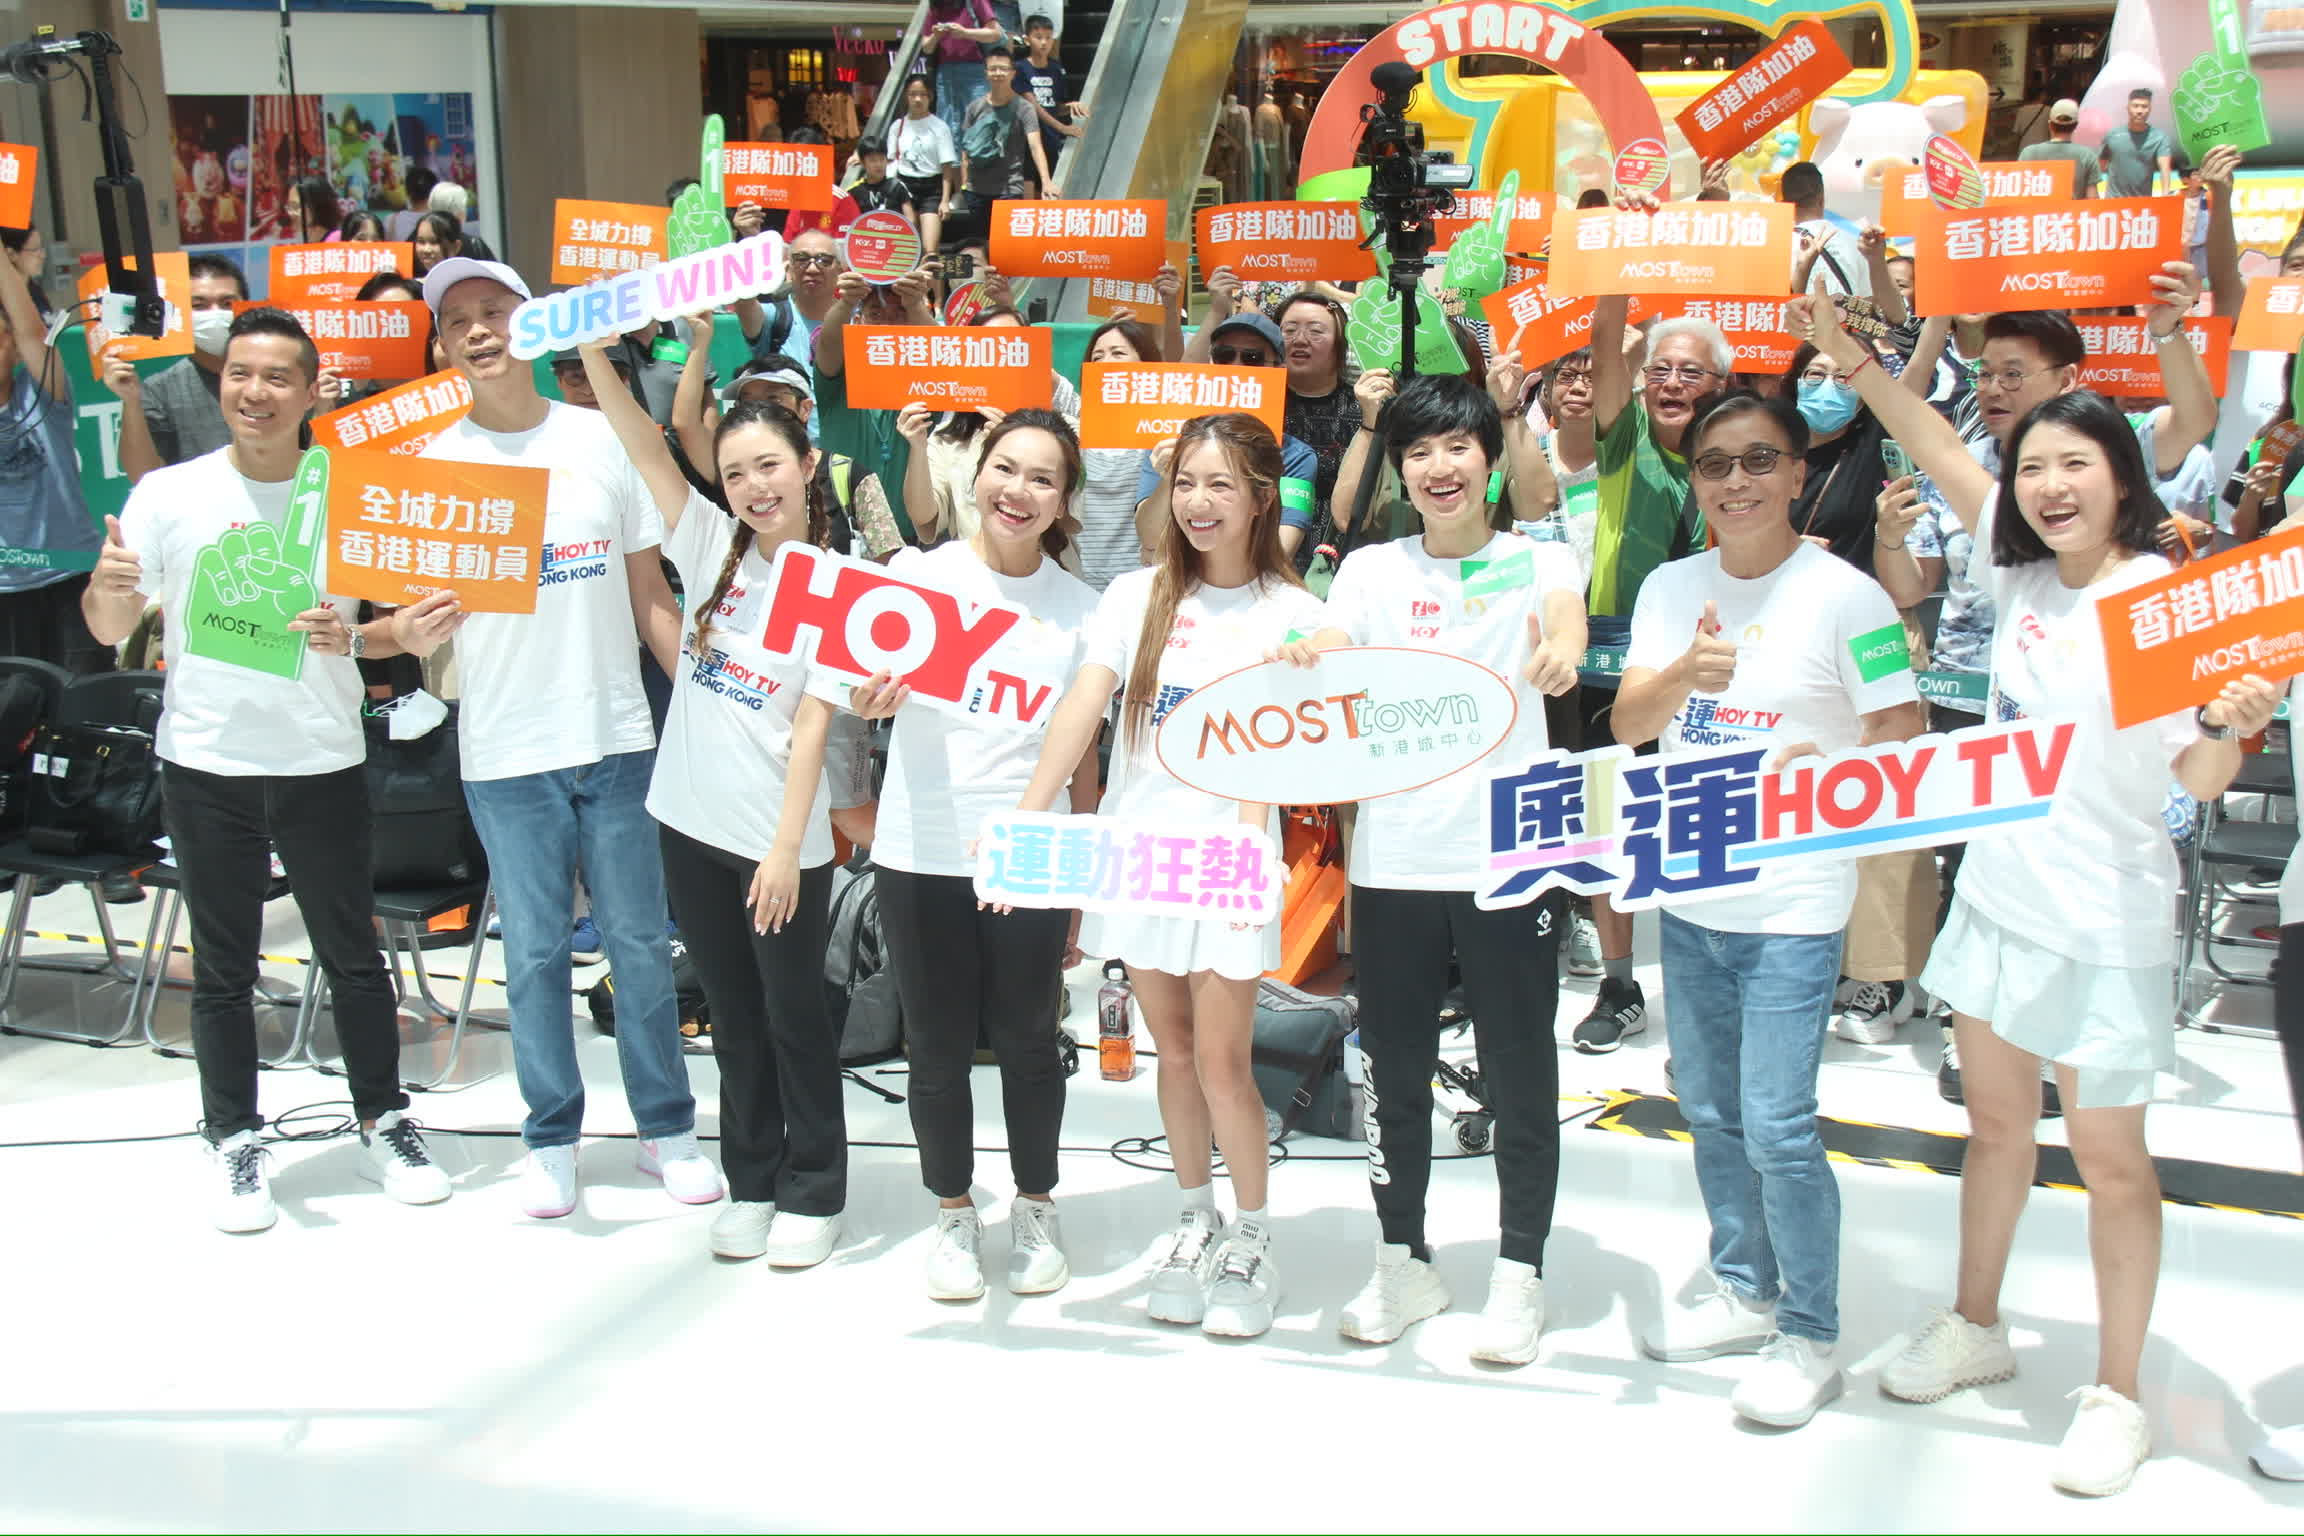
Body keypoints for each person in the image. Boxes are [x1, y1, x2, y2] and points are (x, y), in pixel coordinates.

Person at [1811, 298, 2282, 1497]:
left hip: (2110, 920)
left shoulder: (2159, 600)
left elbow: (2196, 780)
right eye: (2033, 467)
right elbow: (1932, 438)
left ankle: (2119, 1395)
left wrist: (2232, 727)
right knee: (1996, 1131)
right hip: (2001, 901)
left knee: (2114, 1163)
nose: (2049, 485)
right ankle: (1976, 1323)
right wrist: (1855, 356)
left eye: (2076, 464)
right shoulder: (2019, 574)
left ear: (2123, 478)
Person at [81, 307, 464, 1232]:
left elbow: (386, 627)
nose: (255, 393)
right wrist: (108, 590)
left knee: (354, 955)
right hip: (204, 762)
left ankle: (383, 1118)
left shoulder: (350, 493)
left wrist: (370, 637)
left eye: (277, 377)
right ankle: (233, 1135)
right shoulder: (168, 494)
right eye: (240, 375)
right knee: (222, 965)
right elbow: (109, 626)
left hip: (321, 760)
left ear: (310, 390)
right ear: (222, 383)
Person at [1614, 388, 1924, 1430]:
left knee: (1780, 1126)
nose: (1735, 481)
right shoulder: (1671, 587)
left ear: (1798, 473)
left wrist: (1827, 770)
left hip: (1795, 901)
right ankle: (1745, 1289)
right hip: (1691, 893)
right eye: (1714, 464)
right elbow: (1627, 724)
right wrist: (1682, 676)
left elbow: (1903, 726)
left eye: (1758, 460)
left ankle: (1811, 1331)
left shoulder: (1849, 598)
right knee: (1710, 1113)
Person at [1275, 373, 1586, 1362]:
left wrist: (1559, 654)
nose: (1439, 468)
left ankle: (1520, 1273)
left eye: (1458, 448)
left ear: (1489, 461)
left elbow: (1567, 623)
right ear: (1400, 472)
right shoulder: (1373, 570)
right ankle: (1403, 1258)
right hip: (1396, 859)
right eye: (1418, 452)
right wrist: (1311, 653)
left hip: (1511, 856)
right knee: (1393, 1073)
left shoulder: (1539, 558)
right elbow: (1332, 638)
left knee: (1520, 1070)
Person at [419, 255, 719, 1220]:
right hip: (506, 748)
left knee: (640, 942)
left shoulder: (598, 440)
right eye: (457, 319)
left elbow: (649, 593)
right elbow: (406, 617)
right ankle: (551, 1135)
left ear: (534, 323)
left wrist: (707, 700)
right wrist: (405, 632)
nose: (479, 329)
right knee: (537, 956)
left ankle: (666, 1127)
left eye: (495, 310)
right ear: (442, 347)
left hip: (616, 736)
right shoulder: (430, 466)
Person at [1018, 412, 1324, 1338]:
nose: (1199, 501)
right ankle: (1195, 1217)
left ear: (1262, 497)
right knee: (1175, 1053)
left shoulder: (1294, 611)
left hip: (1229, 861)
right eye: (1185, 481)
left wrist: (1318, 663)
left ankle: (1254, 1235)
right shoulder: (1135, 596)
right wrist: (1030, 815)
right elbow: (1085, 704)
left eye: (1221, 483)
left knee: (1226, 1064)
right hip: (1141, 853)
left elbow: (1336, 706)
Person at [576, 339, 854, 1268]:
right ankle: (753, 1182)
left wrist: (784, 848)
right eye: (734, 473)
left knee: (793, 1018)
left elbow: (813, 723)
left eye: (768, 465)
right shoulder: (708, 545)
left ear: (808, 464)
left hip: (776, 844)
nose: (752, 487)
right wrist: (595, 350)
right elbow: (643, 443)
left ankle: (814, 1191)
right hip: (688, 827)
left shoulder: (837, 585)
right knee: (732, 1018)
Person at [850, 409, 1099, 1299]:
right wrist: (869, 698)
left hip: (1028, 850)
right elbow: (859, 684)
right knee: (935, 1046)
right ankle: (953, 1211)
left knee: (1031, 1039)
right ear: (976, 473)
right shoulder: (920, 578)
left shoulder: (1083, 612)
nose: (1018, 491)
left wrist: (1077, 877)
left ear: (1064, 500)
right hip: (920, 849)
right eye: (1005, 468)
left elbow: (1083, 758)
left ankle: (1036, 1205)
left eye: (1042, 478)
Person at [1573, 293, 1733, 1053]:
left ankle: (1711, 994)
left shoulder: (1735, 459)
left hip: (1708, 663)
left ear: (1720, 386)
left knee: (1700, 824)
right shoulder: (1625, 437)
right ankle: (1619, 984)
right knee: (1609, 823)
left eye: (1691, 373)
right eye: (1660, 369)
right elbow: (1606, 344)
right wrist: (1613, 274)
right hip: (1610, 660)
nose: (1671, 383)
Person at [0, 220, 108, 679]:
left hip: (71, 576)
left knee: (84, 704)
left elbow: (31, 331)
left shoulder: (44, 394)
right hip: (6, 591)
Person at [1138, 312, 1319, 564]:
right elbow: (1150, 537)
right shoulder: (1169, 442)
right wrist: (1170, 477)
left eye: (1252, 358)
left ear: (1279, 370)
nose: (1236, 367)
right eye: (1224, 355)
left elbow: (1280, 550)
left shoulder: (1297, 457)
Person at [902, 306, 1081, 546]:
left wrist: (1013, 437)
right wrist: (917, 448)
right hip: (975, 567)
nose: (1000, 357)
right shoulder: (948, 439)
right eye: (988, 347)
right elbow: (924, 517)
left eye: (1011, 346)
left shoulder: (1064, 431)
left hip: (1047, 563)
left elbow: (1074, 517)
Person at [107, 253, 248, 481]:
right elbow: (142, 475)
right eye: (199, 306)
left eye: (227, 304)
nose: (215, 314)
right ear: (179, 314)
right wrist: (131, 402)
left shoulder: (278, 376)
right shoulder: (160, 391)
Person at [1076, 312, 1170, 589]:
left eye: (1118, 353)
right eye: (1097, 357)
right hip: (1080, 583)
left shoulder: (1163, 429)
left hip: (1140, 585)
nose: (1106, 362)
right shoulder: (1074, 422)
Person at [950, 45, 1058, 249]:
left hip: (1009, 188)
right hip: (976, 189)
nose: (998, 73)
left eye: (1003, 68)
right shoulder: (974, 107)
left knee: (1006, 247)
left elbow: (1035, 145)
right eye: (993, 69)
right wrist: (964, 184)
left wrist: (1046, 182)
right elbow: (965, 147)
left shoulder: (1024, 108)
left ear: (1013, 73)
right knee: (981, 246)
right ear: (986, 73)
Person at [886, 76, 960, 258]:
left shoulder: (939, 127)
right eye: (913, 94)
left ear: (930, 97)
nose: (917, 99)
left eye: (922, 94)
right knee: (904, 247)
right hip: (904, 187)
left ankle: (932, 277)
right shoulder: (897, 126)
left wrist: (945, 200)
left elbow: (947, 167)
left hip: (931, 189)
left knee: (930, 248)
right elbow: (889, 159)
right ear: (906, 96)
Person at [1780, 162, 1869, 299]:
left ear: (1784, 203)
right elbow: (1870, 298)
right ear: (1822, 199)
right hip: (1844, 312)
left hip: (1798, 311)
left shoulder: (1778, 245)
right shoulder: (1855, 243)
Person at [1016, 14, 1085, 189]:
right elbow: (1033, 106)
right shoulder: (1020, 68)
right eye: (1038, 37)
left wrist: (1070, 107)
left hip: (1051, 138)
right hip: (1026, 138)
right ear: (1027, 40)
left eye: (1048, 37)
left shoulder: (1056, 68)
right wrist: (1062, 128)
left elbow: (1055, 106)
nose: (1044, 42)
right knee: (1027, 186)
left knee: (1051, 188)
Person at [925, 0, 1005, 136]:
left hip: (974, 71)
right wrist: (936, 36)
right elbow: (927, 47)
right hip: (945, 73)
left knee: (979, 123)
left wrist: (965, 32)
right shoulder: (934, 5)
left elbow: (995, 33)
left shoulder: (975, 2)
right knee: (947, 124)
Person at [2019, 99, 2101, 199]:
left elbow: (2020, 192)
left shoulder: (2028, 153)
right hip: (2072, 209)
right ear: (2075, 126)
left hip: (2037, 209)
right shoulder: (2088, 155)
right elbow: (2092, 198)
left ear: (2050, 125)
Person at [2099, 88, 2173, 199]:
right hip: (2113, 201)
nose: (2139, 111)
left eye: (2144, 106)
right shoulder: (2112, 136)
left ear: (2150, 109)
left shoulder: (2159, 138)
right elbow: (2100, 166)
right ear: (2128, 108)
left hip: (2142, 202)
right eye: (2135, 106)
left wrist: (2165, 194)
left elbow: (2165, 168)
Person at [844, 136, 916, 224]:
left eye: (882, 159)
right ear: (863, 163)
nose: (879, 164)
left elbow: (910, 219)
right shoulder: (854, 191)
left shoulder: (897, 187)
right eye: (873, 160)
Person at [1, 225, 51, 320]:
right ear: (11, 254)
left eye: (41, 248)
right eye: (35, 249)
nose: (42, 255)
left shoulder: (36, 292)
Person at [286, 176, 342, 244]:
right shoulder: (308, 244)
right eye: (289, 207)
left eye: (295, 206)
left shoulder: (337, 242)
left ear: (315, 206)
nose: (290, 214)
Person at [410, 211, 464, 278]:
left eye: (435, 242)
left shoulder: (468, 282)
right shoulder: (413, 283)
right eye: (421, 241)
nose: (426, 250)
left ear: (456, 247)